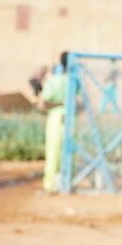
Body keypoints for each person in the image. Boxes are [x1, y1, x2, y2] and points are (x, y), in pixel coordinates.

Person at [40, 52, 70, 192]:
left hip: (56, 119)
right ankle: (66, 181)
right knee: (68, 152)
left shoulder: (55, 80)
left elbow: (43, 104)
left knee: (53, 151)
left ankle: (50, 184)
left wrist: (59, 105)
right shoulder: (74, 80)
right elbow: (81, 103)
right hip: (71, 119)